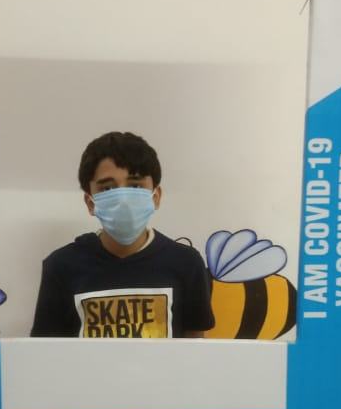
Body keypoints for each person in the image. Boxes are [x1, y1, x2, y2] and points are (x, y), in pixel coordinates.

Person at [30, 131, 214, 338]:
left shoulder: (186, 263)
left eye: (135, 185)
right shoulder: (61, 266)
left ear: (156, 196)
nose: (124, 200)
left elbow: (195, 347)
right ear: (90, 203)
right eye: (107, 188)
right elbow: (46, 350)